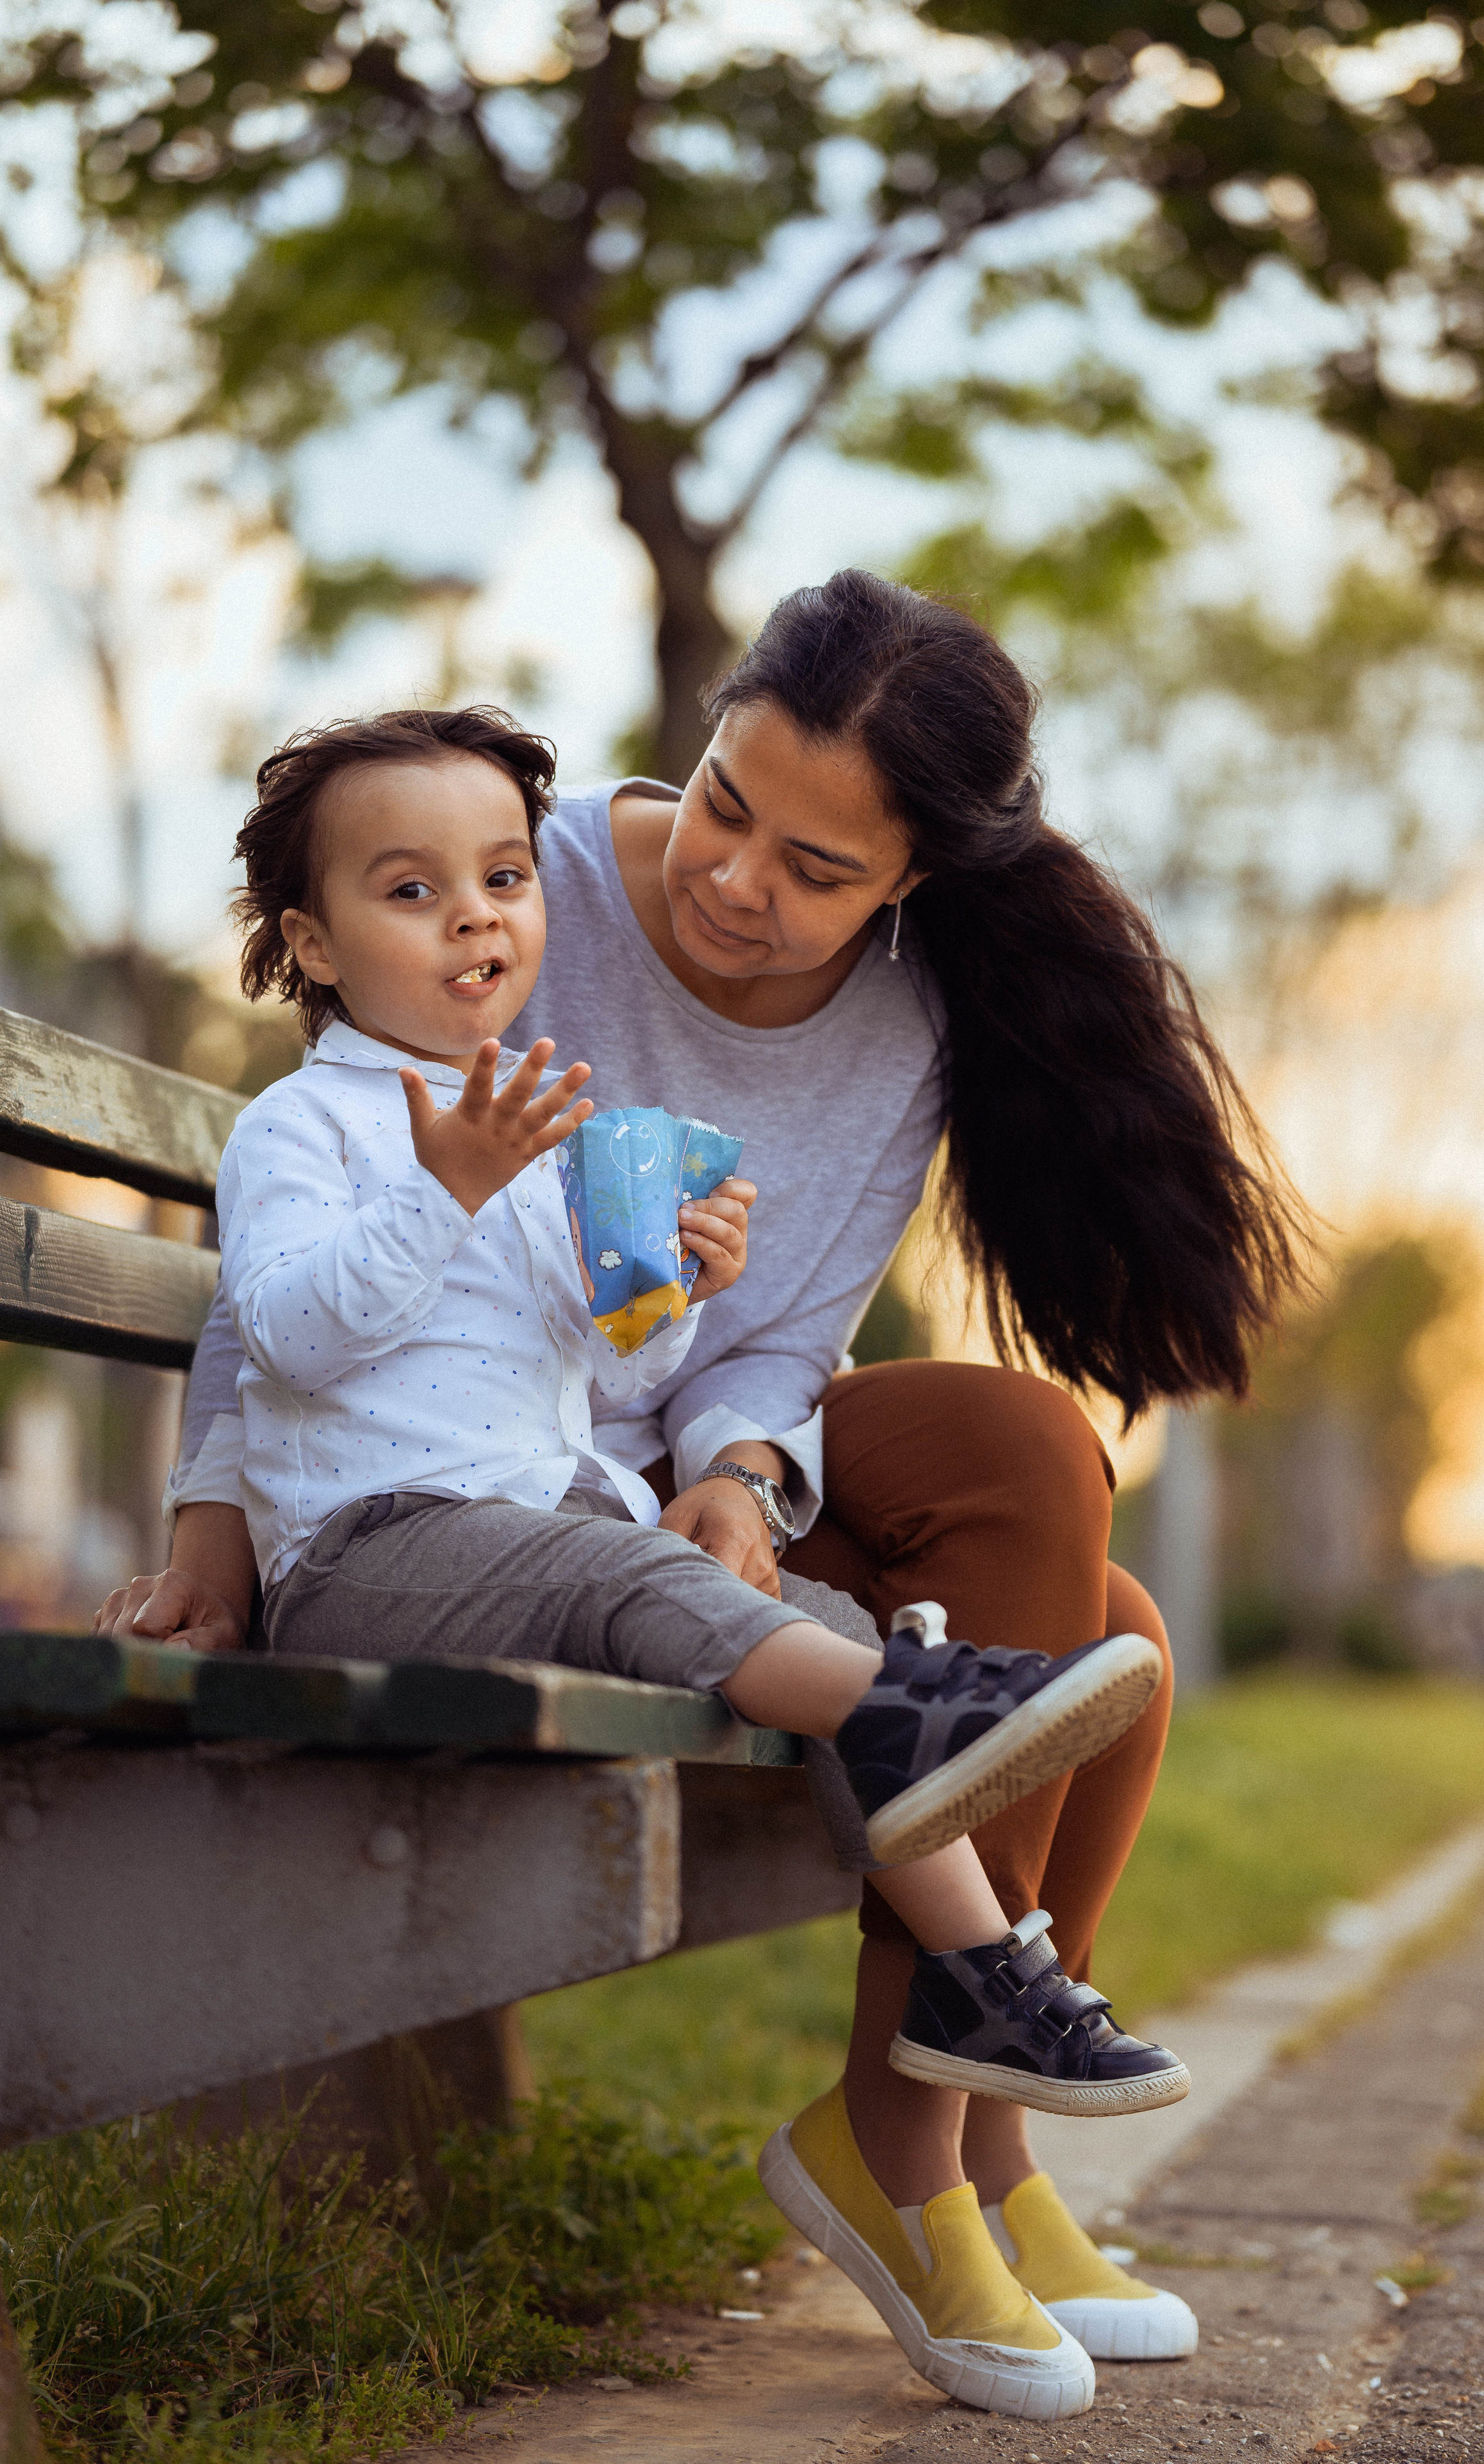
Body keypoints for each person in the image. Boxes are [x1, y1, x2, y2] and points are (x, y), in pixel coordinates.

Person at [101, 572, 1305, 2383]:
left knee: (1043, 1482)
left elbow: (780, 1340)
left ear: (910, 887)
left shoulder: (900, 1028)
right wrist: (212, 1515)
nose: (741, 884)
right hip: (457, 1485)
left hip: (643, 1442)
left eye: (821, 871)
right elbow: (321, 1211)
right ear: (711, 733)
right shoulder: (504, 872)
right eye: (730, 804)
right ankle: (930, 2164)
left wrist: (743, 1472)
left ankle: (943, 2145)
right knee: (1095, 1638)